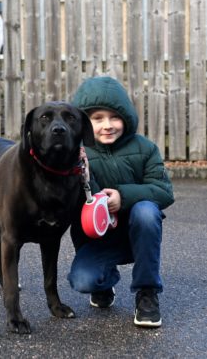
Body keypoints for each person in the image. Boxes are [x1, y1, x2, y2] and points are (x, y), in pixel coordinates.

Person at [68, 76, 174, 327]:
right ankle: (105, 280)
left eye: (114, 117)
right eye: (97, 118)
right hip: (98, 237)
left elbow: (164, 191)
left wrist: (122, 197)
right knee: (82, 280)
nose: (107, 125)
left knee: (147, 211)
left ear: (126, 118)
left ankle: (147, 293)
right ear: (83, 122)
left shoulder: (145, 148)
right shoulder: (76, 153)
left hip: (139, 233)